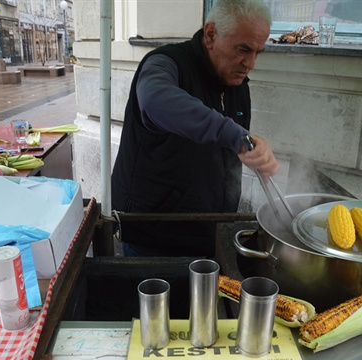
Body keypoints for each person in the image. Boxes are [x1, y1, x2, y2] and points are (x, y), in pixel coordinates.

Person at [111, 0, 280, 258]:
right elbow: (155, 100)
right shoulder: (165, 63)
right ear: (211, 34)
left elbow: (228, 145)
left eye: (258, 52)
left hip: (210, 235)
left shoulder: (237, 83)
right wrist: (236, 136)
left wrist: (252, 152)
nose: (251, 63)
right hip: (154, 240)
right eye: (243, 49)